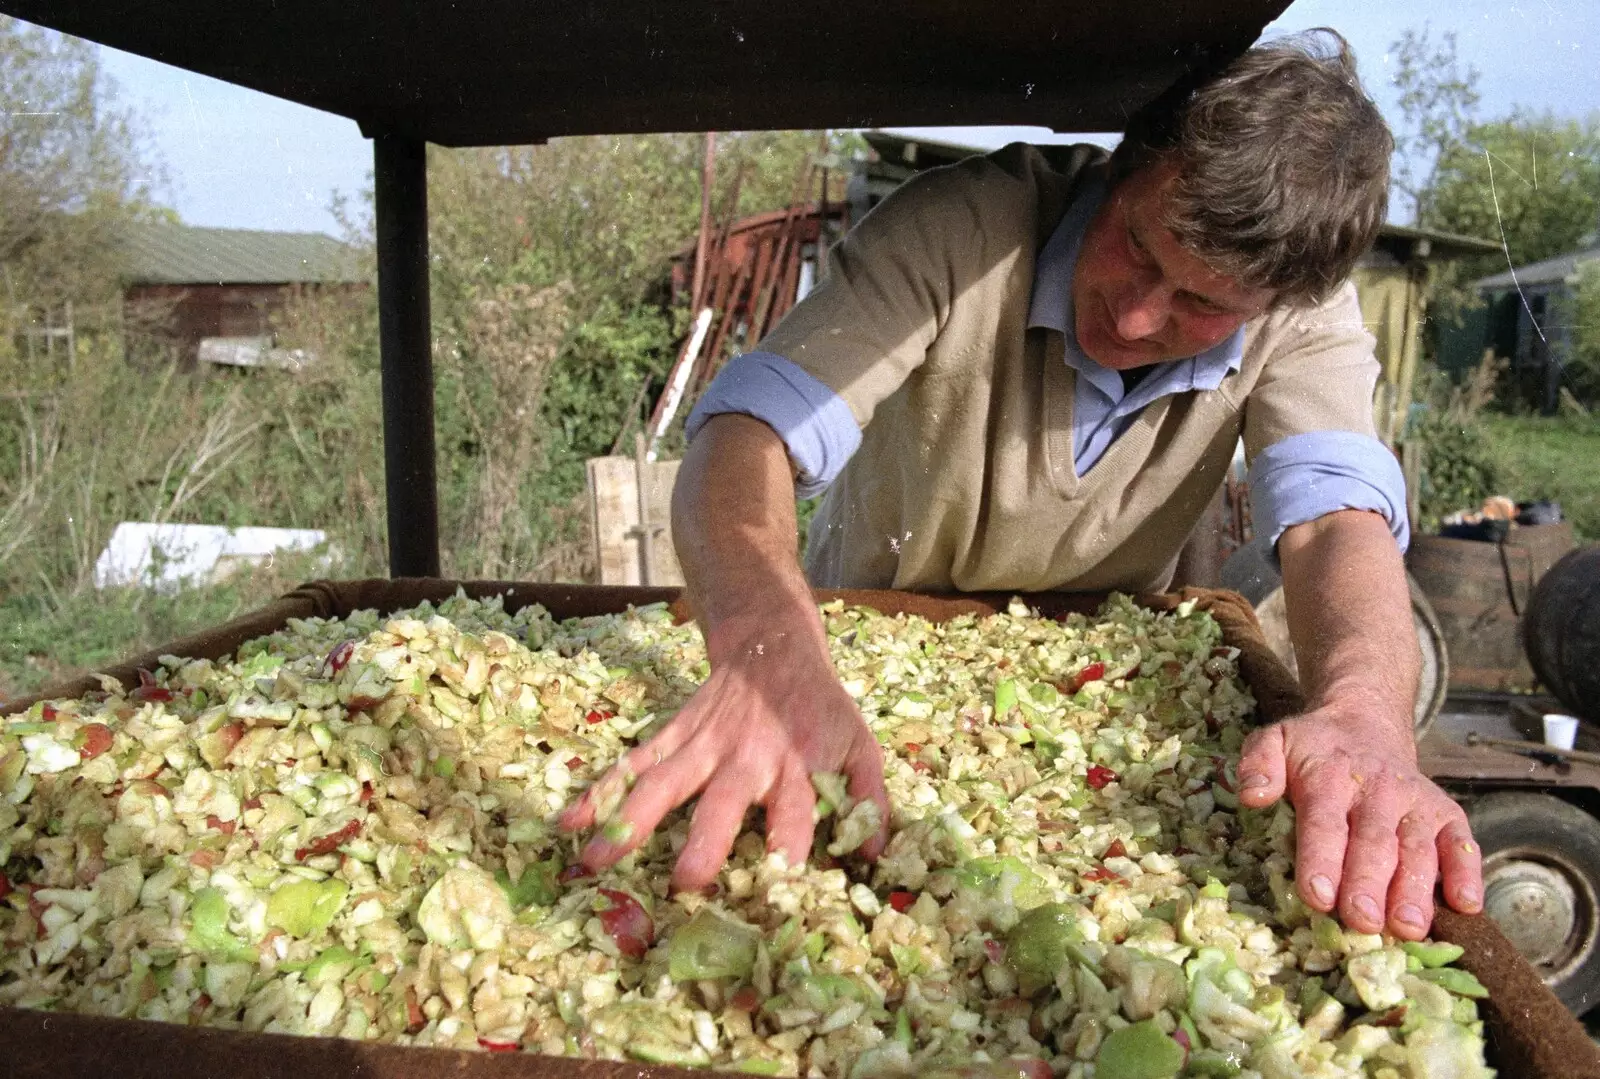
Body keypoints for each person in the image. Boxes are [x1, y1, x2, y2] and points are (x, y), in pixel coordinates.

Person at [561, 30, 1484, 940]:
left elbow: (1334, 525)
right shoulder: (957, 232)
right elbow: (744, 434)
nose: (1135, 314)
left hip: (1102, 692)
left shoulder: (1303, 311)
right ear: (1122, 171)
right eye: (1138, 246)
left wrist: (1365, 716)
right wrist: (764, 646)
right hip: (850, 659)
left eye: (1202, 305)